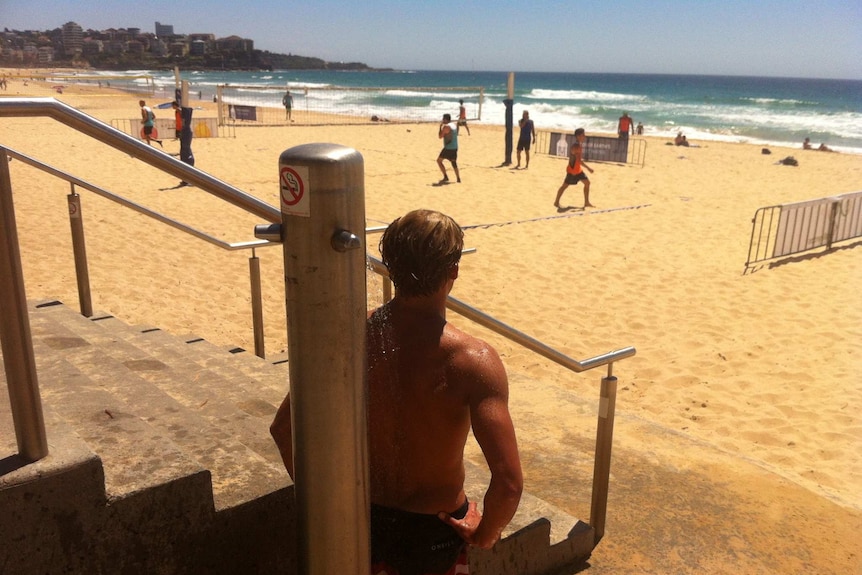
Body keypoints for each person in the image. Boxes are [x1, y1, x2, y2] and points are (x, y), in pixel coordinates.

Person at [270, 209, 523, 575]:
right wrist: (486, 532)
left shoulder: (350, 337)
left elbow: (283, 429)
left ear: (389, 266)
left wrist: (327, 507)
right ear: (453, 271)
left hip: (360, 522)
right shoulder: (472, 360)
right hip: (432, 531)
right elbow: (509, 483)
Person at [554, 128, 594, 209]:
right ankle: (556, 202)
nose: (584, 136)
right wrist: (589, 168)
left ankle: (586, 202)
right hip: (572, 171)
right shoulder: (576, 146)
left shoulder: (578, 145)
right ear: (578, 136)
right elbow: (579, 161)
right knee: (564, 186)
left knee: (587, 183)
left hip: (578, 170)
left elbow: (578, 161)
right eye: (583, 135)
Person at [437, 113, 461, 184]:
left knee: (439, 161)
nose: (442, 120)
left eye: (443, 119)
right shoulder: (453, 125)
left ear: (445, 119)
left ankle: (445, 176)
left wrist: (440, 127)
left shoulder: (446, 127)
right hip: (455, 147)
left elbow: (440, 136)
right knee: (453, 162)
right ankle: (458, 178)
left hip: (448, 148)